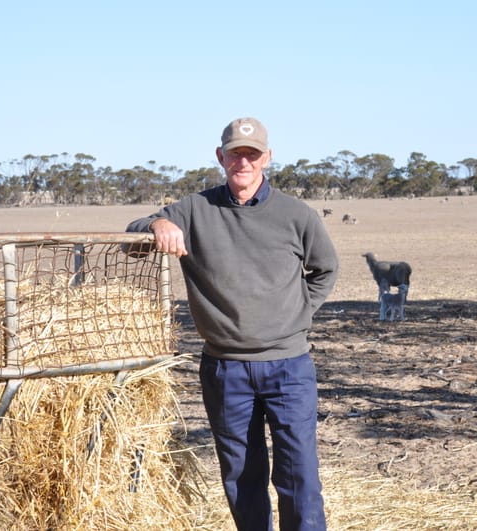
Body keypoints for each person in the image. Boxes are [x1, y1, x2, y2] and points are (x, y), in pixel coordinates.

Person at [126, 117, 339, 531]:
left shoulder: (297, 215)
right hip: (225, 368)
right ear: (220, 156)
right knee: (241, 474)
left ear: (268, 158)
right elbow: (132, 237)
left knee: (299, 472)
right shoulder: (193, 209)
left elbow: (325, 270)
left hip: (289, 366)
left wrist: (296, 316)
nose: (244, 162)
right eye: (235, 154)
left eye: (252, 154)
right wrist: (157, 224)